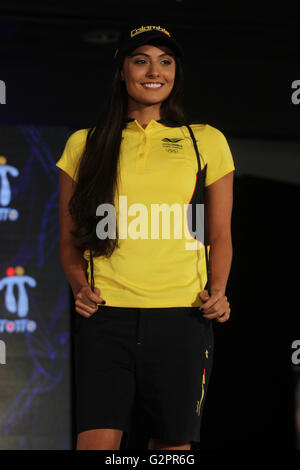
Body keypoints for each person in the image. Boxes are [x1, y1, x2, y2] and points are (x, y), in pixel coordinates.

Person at [56, 24, 235, 451]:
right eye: (141, 60)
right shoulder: (86, 143)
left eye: (166, 61)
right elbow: (68, 239)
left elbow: (220, 234)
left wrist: (220, 291)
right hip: (107, 319)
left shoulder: (203, 140)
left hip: (182, 318)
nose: (154, 71)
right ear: (122, 71)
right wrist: (80, 287)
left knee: (171, 453)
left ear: (175, 72)